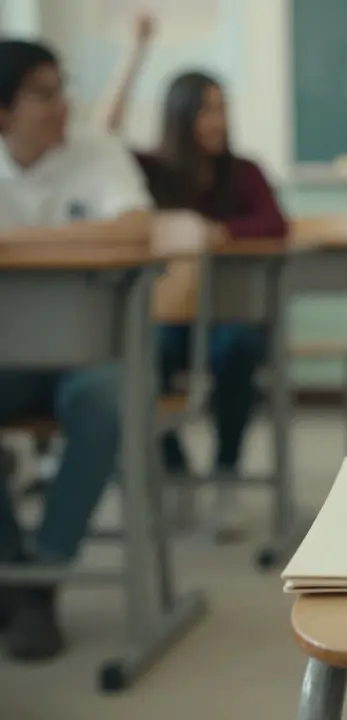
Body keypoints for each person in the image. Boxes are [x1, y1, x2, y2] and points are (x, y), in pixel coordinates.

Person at [99, 14, 289, 539]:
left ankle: (226, 475)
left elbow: (273, 222)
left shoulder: (244, 171)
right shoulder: (154, 171)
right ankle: (177, 472)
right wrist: (134, 56)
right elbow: (103, 138)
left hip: (229, 320)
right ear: (181, 117)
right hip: (171, 320)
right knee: (146, 351)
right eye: (206, 109)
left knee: (239, 349)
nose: (217, 120)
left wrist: (211, 230)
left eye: (222, 108)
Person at [0, 38, 153, 661]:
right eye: (42, 93)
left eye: (62, 87)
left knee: (104, 399)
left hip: (90, 358)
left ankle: (45, 575)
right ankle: (12, 570)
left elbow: (135, 226)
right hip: (8, 362)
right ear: (2, 112)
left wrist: (23, 244)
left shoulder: (98, 152)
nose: (62, 103)